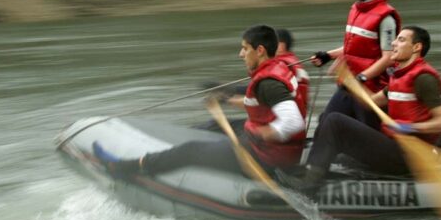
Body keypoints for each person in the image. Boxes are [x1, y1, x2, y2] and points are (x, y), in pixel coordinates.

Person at [94, 25, 307, 177]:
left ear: (260, 51)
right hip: (275, 153)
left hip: (263, 157)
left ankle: (121, 168)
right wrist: (227, 99)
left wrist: (264, 133)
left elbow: (293, 122)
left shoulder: (269, 81)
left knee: (191, 150)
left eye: (245, 48)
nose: (240, 54)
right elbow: (261, 105)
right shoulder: (277, 70)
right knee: (221, 130)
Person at [280, 26, 441, 190]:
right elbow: (371, 102)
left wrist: (410, 127)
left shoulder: (423, 79)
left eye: (401, 39)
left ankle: (309, 181)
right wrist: (351, 81)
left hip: (410, 156)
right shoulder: (400, 77)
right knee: (339, 141)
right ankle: (316, 166)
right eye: (396, 38)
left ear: (417, 47)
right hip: (395, 146)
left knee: (335, 122)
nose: (393, 43)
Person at [311, 0, 401, 130]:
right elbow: (354, 49)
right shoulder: (355, 10)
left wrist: (362, 77)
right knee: (326, 123)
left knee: (366, 131)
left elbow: (388, 58)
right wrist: (327, 55)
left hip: (370, 90)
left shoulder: (385, 18)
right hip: (349, 84)